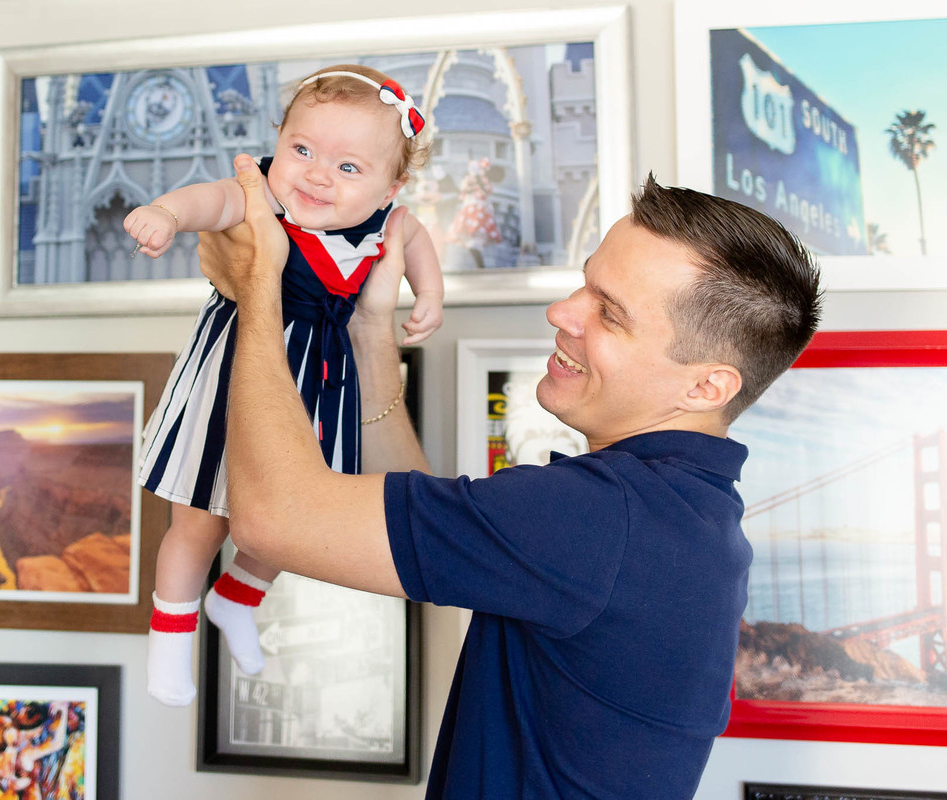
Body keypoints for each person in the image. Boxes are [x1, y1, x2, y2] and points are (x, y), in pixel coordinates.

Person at [198, 158, 823, 798]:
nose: (561, 312)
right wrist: (368, 332)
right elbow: (425, 538)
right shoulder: (680, 515)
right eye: (584, 286)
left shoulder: (605, 518)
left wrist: (258, 289)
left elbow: (271, 518)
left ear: (706, 385)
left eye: (609, 314)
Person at [123, 65, 443, 706]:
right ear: (280, 140)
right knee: (198, 521)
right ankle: (168, 636)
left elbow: (416, 242)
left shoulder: (388, 221)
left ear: (391, 183)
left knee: (300, 519)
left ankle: (237, 596)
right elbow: (209, 201)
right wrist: (165, 212)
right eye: (302, 150)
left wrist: (429, 293)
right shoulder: (261, 197)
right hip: (232, 374)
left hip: (319, 383)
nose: (318, 175)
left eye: (349, 167)